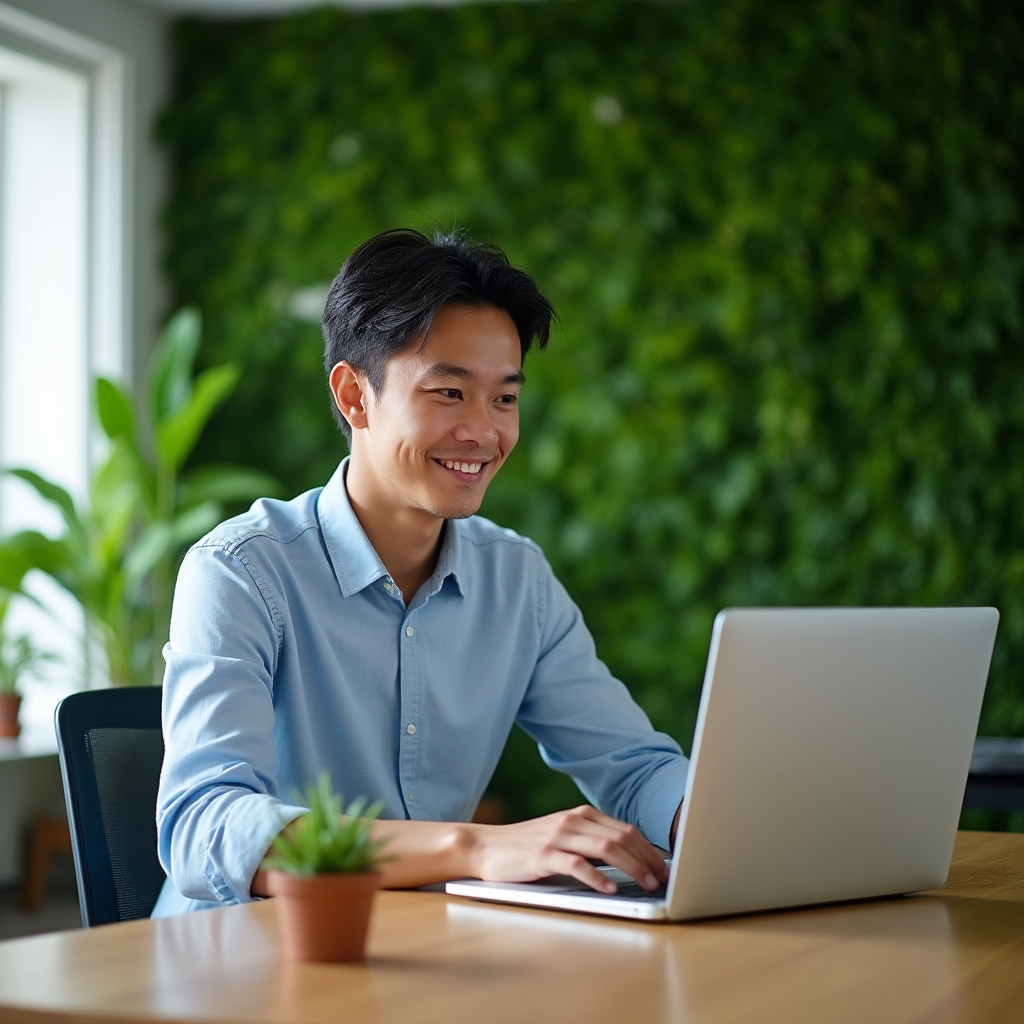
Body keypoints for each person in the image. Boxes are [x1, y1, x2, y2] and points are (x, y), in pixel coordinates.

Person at [152, 228, 688, 916]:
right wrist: (471, 849)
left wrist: (722, 823)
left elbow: (637, 768)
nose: (484, 432)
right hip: (236, 964)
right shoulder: (240, 572)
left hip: (420, 956)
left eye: (504, 398)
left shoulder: (515, 581)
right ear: (353, 396)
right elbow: (206, 827)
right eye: (448, 393)